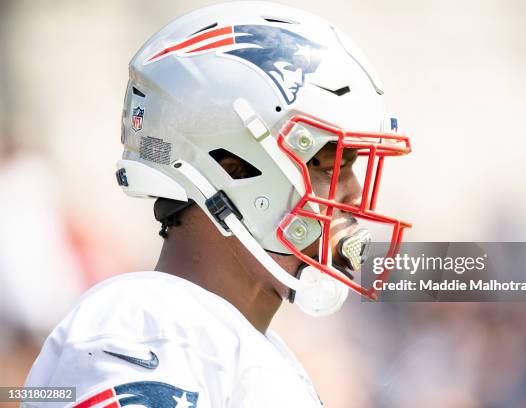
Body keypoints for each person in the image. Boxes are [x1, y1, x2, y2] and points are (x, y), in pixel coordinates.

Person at [24, 2, 411, 407]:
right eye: (323, 163)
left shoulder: (235, 340)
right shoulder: (149, 330)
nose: (352, 192)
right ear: (233, 168)